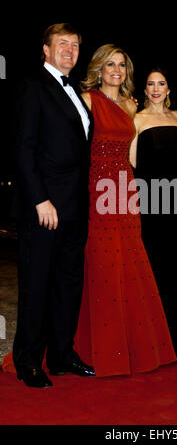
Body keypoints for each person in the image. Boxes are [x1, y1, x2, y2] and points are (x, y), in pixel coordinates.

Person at [1, 23, 95, 387]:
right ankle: (28, 361)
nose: (69, 50)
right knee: (37, 284)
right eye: (62, 44)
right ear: (45, 49)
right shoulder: (31, 86)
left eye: (74, 45)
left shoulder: (75, 91)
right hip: (44, 208)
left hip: (75, 206)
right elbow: (23, 149)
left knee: (68, 284)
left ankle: (61, 355)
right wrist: (40, 199)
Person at [74, 46, 177, 377]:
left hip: (126, 189)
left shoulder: (132, 105)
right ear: (99, 69)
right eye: (110, 65)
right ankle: (97, 349)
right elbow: (77, 148)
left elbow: (136, 151)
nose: (116, 70)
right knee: (101, 263)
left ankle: (132, 346)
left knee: (128, 261)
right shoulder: (88, 100)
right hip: (96, 189)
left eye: (121, 65)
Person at [130, 68, 177, 354]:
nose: (156, 88)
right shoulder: (137, 119)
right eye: (151, 84)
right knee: (154, 263)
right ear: (144, 89)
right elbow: (131, 164)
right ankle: (152, 332)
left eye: (161, 83)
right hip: (150, 201)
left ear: (169, 89)